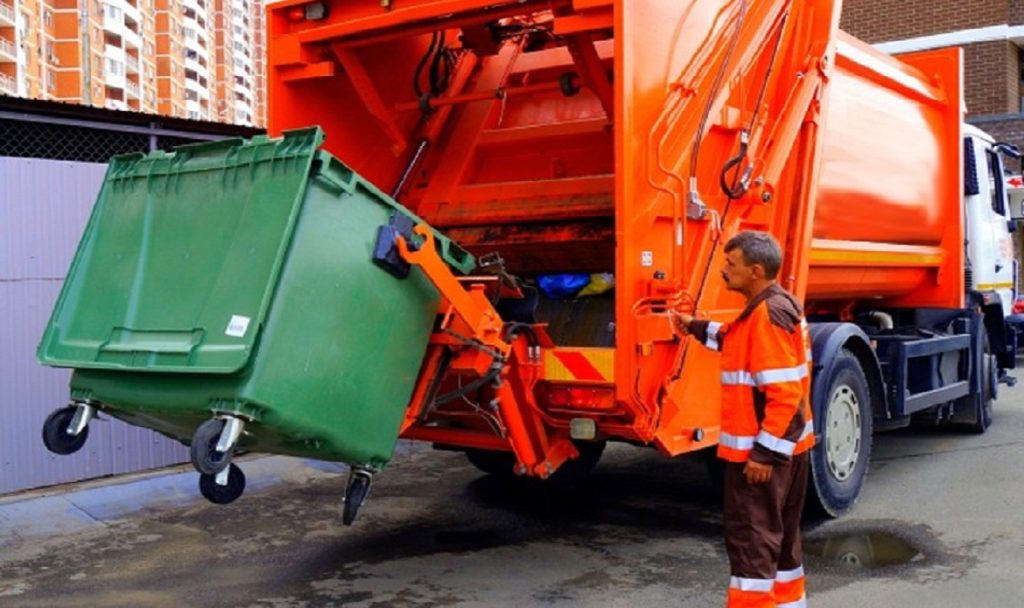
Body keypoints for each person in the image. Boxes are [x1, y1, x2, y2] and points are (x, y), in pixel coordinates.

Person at [675, 230, 814, 608]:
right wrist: (694, 327)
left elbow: (786, 397)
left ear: (755, 270)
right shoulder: (776, 305)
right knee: (782, 542)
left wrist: (763, 456)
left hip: (761, 459)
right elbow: (737, 340)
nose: (723, 271)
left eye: (730, 264)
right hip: (791, 453)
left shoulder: (767, 315)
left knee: (752, 545)